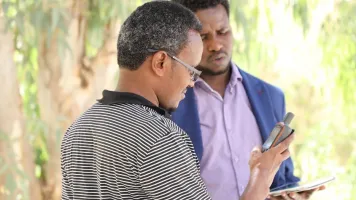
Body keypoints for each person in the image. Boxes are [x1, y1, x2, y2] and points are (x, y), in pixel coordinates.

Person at [60, 1, 295, 200]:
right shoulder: (160, 137)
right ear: (161, 62)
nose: (192, 82)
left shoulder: (77, 132)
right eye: (191, 70)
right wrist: (262, 174)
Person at [171, 0, 324, 200]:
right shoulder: (170, 104)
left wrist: (293, 193)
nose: (216, 45)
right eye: (203, 37)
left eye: (223, 31)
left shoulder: (271, 96)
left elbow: (282, 177)